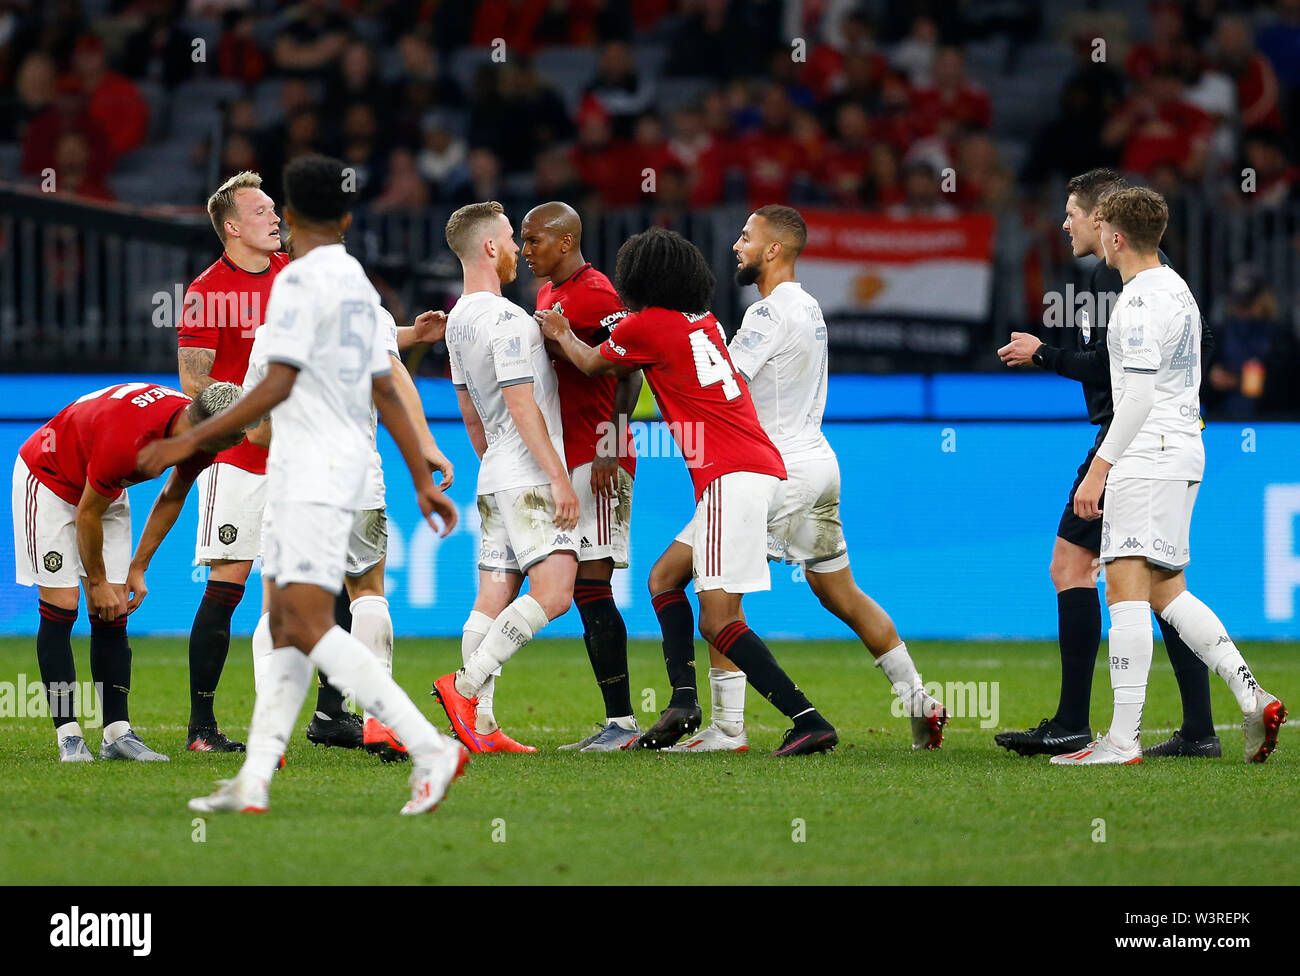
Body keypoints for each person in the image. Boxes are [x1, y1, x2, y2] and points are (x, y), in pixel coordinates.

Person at [141, 154, 466, 815]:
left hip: (306, 472)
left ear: (288, 219)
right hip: (347, 469)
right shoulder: (352, 281)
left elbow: (276, 387)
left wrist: (189, 439)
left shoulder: (294, 286)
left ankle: (428, 745)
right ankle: (255, 780)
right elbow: (383, 380)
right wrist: (418, 470)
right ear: (344, 218)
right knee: (284, 621)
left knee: (305, 623)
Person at [647, 206, 947, 753]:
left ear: (773, 250)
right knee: (842, 593)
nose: (736, 246)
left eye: (745, 237)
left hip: (767, 471)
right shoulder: (809, 307)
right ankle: (917, 699)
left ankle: (730, 728)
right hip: (819, 465)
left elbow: (723, 382)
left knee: (717, 596)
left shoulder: (764, 315)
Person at [539, 227, 838, 757]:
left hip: (732, 475)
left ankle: (805, 718)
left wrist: (562, 332)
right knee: (665, 577)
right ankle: (684, 704)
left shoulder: (646, 325)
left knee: (719, 619)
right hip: (754, 467)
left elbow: (590, 364)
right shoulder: (705, 321)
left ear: (640, 277)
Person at [1051, 186, 1287, 765]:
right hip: (1184, 449)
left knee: (1124, 590)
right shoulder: (1179, 291)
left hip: (1146, 452)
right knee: (1167, 591)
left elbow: (1135, 397)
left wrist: (1099, 469)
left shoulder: (1133, 304)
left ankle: (1121, 740)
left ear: (1116, 236)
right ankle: (1251, 695)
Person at [996, 168, 1219, 758]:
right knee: (1163, 583)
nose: (1064, 223)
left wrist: (1044, 354)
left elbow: (1124, 368)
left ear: (1103, 221)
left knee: (1078, 566)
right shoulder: (1128, 274)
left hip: (1132, 442)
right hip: (1138, 435)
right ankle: (1200, 726)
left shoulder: (1131, 279)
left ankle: (1080, 722)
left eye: (1071, 212)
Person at [242, 305, 453, 762]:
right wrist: (426, 448)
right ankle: (380, 722)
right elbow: (394, 384)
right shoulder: (367, 314)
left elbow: (256, 431)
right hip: (356, 481)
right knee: (367, 594)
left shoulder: (272, 327)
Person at [12, 380, 246, 761]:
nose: (241, 439)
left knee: (113, 609)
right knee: (63, 606)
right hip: (49, 479)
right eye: (237, 432)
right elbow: (87, 513)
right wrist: (99, 581)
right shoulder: (128, 441)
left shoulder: (200, 435)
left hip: (102, 484)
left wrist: (138, 566)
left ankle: (117, 734)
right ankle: (68, 736)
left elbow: (172, 494)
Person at [429, 201, 579, 754]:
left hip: (494, 473)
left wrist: (495, 467)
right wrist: (556, 478)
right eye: (512, 239)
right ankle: (464, 689)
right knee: (556, 591)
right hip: (528, 474)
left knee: (491, 597)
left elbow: (470, 412)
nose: (519, 248)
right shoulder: (506, 319)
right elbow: (521, 403)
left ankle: (483, 727)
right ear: (490, 247)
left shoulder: (458, 322)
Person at [521, 201, 643, 752]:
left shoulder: (596, 293)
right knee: (584, 587)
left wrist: (611, 446)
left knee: (592, 586)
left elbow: (629, 369)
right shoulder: (549, 294)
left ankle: (622, 724)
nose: (526, 251)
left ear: (565, 242)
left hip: (597, 458)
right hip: (566, 457)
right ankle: (618, 722)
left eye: (534, 241)